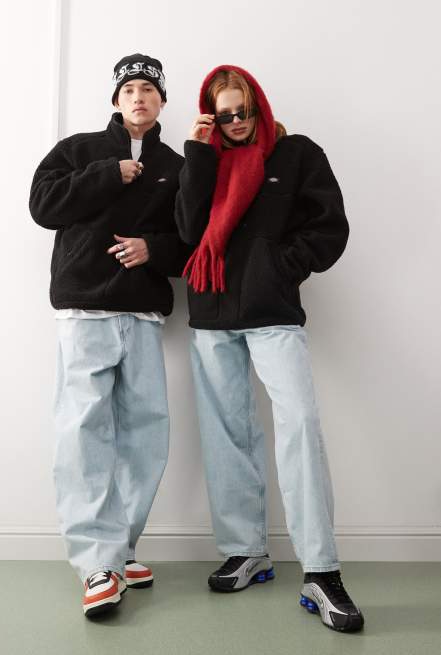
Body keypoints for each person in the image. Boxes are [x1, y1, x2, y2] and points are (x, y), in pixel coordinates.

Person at [175, 64, 364, 632]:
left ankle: (321, 570)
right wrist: (196, 153)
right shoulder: (203, 160)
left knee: (300, 423)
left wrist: (280, 267)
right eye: (224, 115)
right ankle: (246, 550)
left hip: (272, 311)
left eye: (243, 111)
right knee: (227, 433)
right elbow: (187, 231)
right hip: (211, 311)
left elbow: (329, 227)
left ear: (259, 105)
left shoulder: (296, 154)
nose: (236, 122)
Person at [29, 53, 192, 618]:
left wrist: (154, 250)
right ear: (116, 100)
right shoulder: (79, 150)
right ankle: (97, 562)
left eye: (149, 89)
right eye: (129, 90)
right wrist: (106, 174)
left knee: (147, 434)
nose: (139, 97)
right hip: (85, 310)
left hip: (144, 313)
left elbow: (192, 239)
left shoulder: (177, 165)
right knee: (83, 432)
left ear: (162, 100)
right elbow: (42, 206)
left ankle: (118, 549)